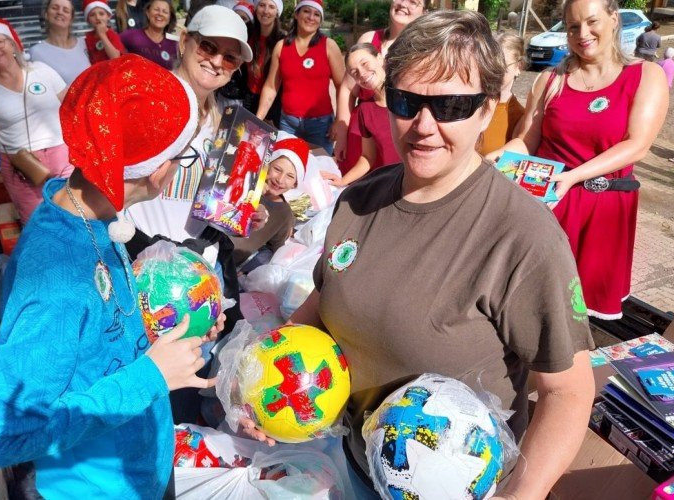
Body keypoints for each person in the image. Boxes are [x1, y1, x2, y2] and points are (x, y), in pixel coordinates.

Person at [243, 11, 598, 499]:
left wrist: (522, 495)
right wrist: (263, 387)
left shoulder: (525, 238)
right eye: (408, 101)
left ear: (488, 108)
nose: (424, 126)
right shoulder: (358, 200)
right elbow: (318, 314)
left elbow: (568, 393)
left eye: (452, 105)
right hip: (348, 466)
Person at [0, 55, 224, 498]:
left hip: (141, 468)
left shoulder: (89, 218)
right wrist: (150, 378)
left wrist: (175, 325)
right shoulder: (59, 281)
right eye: (181, 156)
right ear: (156, 165)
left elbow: (97, 341)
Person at [123, 5, 264, 423]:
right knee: (145, 377)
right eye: (208, 46)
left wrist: (243, 214)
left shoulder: (233, 125)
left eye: (230, 56)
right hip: (143, 263)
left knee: (190, 375)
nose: (217, 61)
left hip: (201, 266)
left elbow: (223, 206)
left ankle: (183, 458)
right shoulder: (145, 103)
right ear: (184, 41)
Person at [502, 0, 669, 320]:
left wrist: (573, 176)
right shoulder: (550, 80)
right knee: (531, 307)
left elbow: (637, 144)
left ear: (613, 18)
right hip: (547, 205)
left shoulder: (645, 76)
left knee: (579, 318)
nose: (582, 33)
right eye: (573, 26)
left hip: (601, 212)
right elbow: (526, 141)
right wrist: (490, 160)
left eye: (591, 22)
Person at [0, 17, 74, 225]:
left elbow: (71, 107)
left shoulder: (41, 71)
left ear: (12, 44)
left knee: (76, 216)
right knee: (38, 225)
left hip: (63, 157)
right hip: (22, 168)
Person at [332, 0, 424, 172]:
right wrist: (342, 133)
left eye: (413, 2)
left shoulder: (423, 50)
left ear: (423, 12)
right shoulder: (369, 39)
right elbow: (347, 88)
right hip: (362, 137)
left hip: (396, 141)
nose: (404, 4)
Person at [255, 0, 345, 154]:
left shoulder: (328, 45)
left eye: (317, 14)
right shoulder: (281, 46)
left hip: (321, 125)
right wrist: (257, 120)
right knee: (286, 165)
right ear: (296, 14)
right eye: (306, 12)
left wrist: (339, 121)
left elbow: (342, 86)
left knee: (319, 169)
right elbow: (271, 87)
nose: (311, 17)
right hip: (288, 123)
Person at [321, 43, 399, 187]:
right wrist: (343, 181)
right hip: (388, 186)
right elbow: (367, 157)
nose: (362, 73)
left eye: (365, 63)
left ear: (380, 59)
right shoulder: (365, 110)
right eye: (354, 72)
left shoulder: (408, 96)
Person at [231, 133, 308, 269]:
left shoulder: (284, 214)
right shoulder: (246, 183)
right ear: (266, 165)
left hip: (231, 263)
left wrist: (248, 270)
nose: (280, 179)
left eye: (290, 176)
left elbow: (275, 250)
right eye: (277, 169)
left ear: (295, 184)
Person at [479, 32, 526, 158]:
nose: (494, 73)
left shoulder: (519, 117)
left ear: (518, 67)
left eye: (502, 66)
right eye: (490, 65)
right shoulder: (471, 102)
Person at [243, 0, 286, 124]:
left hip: (272, 102)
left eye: (271, 7)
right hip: (248, 96)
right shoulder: (247, 32)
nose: (266, 11)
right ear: (256, 8)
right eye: (262, 5)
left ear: (277, 12)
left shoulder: (283, 40)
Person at [28, 0, 91, 85]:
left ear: (71, 19)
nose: (60, 12)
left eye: (66, 10)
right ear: (46, 14)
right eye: (55, 8)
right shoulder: (35, 53)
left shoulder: (85, 44)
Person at [120, 0, 179, 70]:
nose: (160, 14)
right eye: (156, 9)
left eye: (165, 12)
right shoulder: (131, 36)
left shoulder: (174, 44)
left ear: (169, 19)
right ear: (148, 13)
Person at [217, 1, 254, 109]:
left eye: (244, 18)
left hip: (241, 100)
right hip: (221, 95)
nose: (239, 21)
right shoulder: (222, 38)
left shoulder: (254, 45)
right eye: (236, 16)